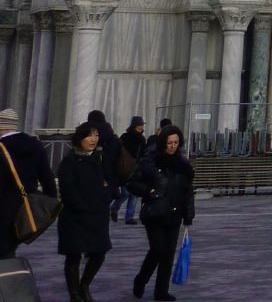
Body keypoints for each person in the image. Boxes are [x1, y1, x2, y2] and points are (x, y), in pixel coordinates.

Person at [127, 125, 195, 301]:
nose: (172, 146)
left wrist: (189, 214)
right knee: (158, 249)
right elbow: (132, 183)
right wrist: (149, 191)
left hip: (174, 214)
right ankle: (141, 280)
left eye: (176, 143)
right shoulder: (151, 161)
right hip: (154, 212)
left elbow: (187, 192)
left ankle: (161, 291)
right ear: (163, 142)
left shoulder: (183, 165)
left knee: (168, 254)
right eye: (169, 142)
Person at [57, 121, 112, 302]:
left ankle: (84, 285)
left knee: (99, 253)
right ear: (80, 138)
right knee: (74, 256)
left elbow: (107, 182)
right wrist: (83, 207)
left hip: (97, 216)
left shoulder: (98, 158)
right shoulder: (70, 161)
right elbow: (68, 191)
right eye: (89, 135)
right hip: (75, 217)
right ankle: (75, 294)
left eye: (96, 135)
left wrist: (106, 197)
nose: (93, 139)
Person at [0, 106, 58, 261]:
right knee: (10, 247)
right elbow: (47, 177)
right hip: (25, 205)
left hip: (2, 206)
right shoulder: (35, 145)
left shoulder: (2, 147)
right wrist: (49, 203)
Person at [114, 117, 148, 224]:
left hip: (135, 169)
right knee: (125, 193)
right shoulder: (125, 137)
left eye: (142, 125)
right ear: (134, 125)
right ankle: (114, 209)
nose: (141, 127)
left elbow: (143, 154)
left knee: (133, 194)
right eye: (140, 125)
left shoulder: (141, 139)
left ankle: (129, 216)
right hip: (125, 169)